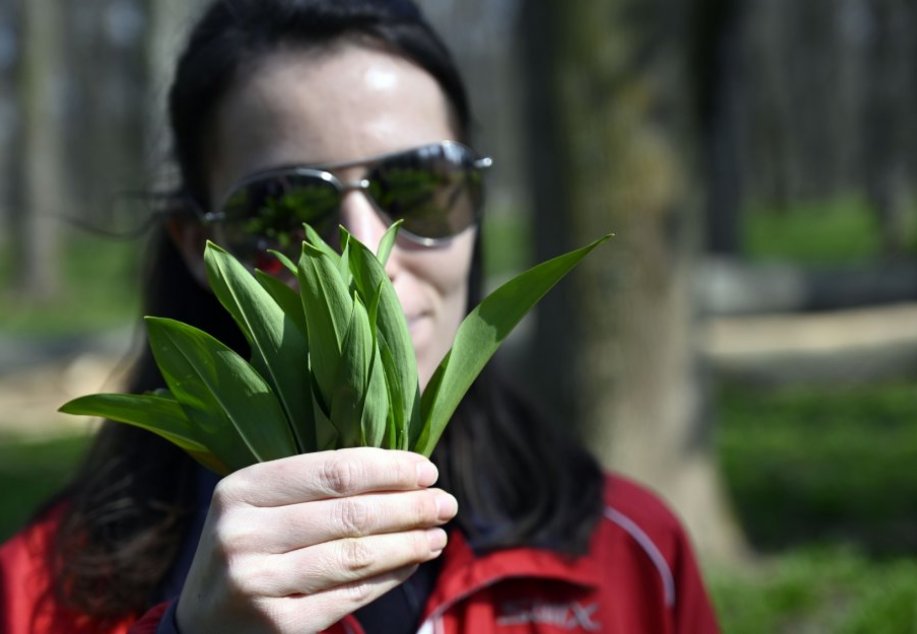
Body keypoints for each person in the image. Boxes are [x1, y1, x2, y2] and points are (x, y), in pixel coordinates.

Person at [0, 1, 720, 632]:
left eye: (420, 186)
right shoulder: (37, 594)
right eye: (285, 209)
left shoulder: (627, 553)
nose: (372, 252)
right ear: (200, 245)